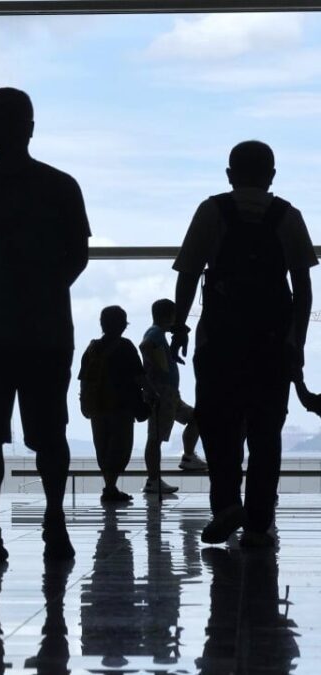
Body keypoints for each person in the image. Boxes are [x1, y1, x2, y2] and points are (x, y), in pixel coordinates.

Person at [0, 88, 89, 563]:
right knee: (51, 431)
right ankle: (55, 520)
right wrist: (43, 290)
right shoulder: (61, 186)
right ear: (31, 126)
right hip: (46, 328)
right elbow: (78, 258)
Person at [171, 140, 315, 547]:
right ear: (271, 175)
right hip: (270, 347)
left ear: (230, 175)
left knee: (219, 428)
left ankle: (226, 505)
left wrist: (180, 326)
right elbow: (302, 290)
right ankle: (258, 521)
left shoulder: (211, 211)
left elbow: (187, 274)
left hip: (219, 344)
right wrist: (296, 343)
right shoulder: (289, 218)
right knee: (266, 432)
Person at [78, 305, 147, 504]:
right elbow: (139, 376)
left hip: (97, 406)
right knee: (120, 447)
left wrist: (84, 402)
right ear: (123, 325)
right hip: (120, 406)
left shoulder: (91, 348)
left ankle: (110, 487)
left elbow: (84, 379)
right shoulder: (125, 346)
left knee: (103, 446)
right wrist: (152, 393)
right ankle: (110, 488)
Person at [140, 298, 205, 497]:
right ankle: (153, 480)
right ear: (169, 316)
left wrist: (168, 358)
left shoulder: (158, 334)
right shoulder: (156, 332)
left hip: (171, 394)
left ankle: (188, 456)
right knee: (156, 437)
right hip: (162, 394)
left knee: (197, 418)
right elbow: (145, 346)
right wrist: (157, 367)